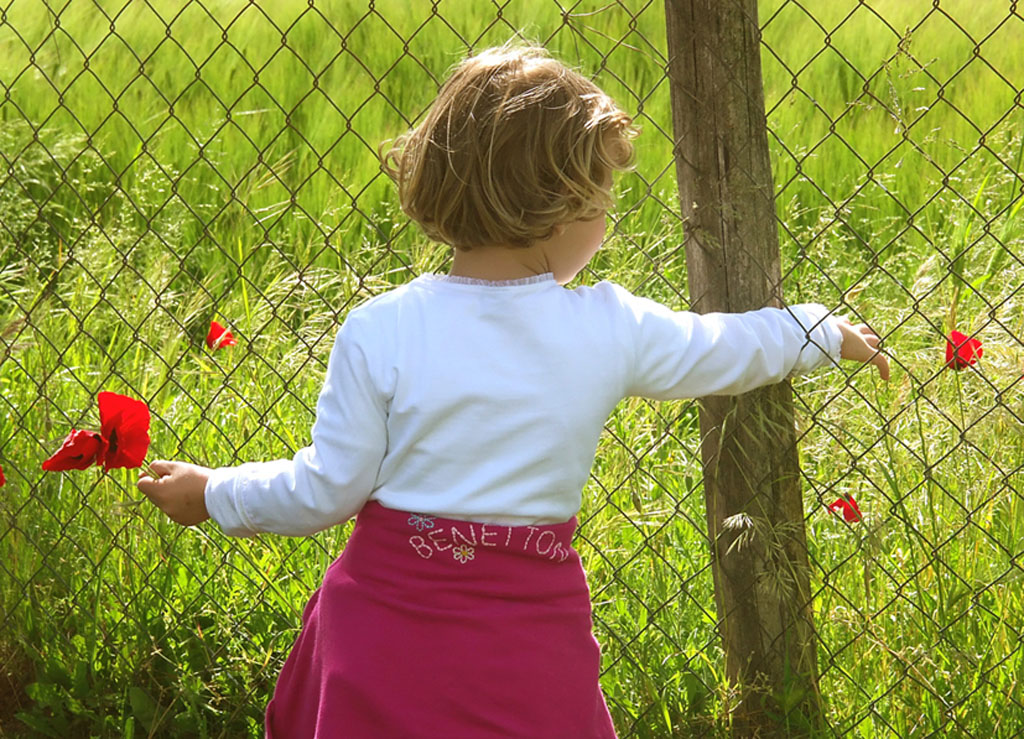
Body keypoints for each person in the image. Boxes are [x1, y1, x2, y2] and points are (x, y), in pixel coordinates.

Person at [137, 43, 889, 738]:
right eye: (600, 202)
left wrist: (214, 492)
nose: (606, 223)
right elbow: (722, 347)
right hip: (528, 637)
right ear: (559, 209)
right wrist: (820, 332)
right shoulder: (606, 327)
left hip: (382, 633)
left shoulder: (382, 328)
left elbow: (325, 489)